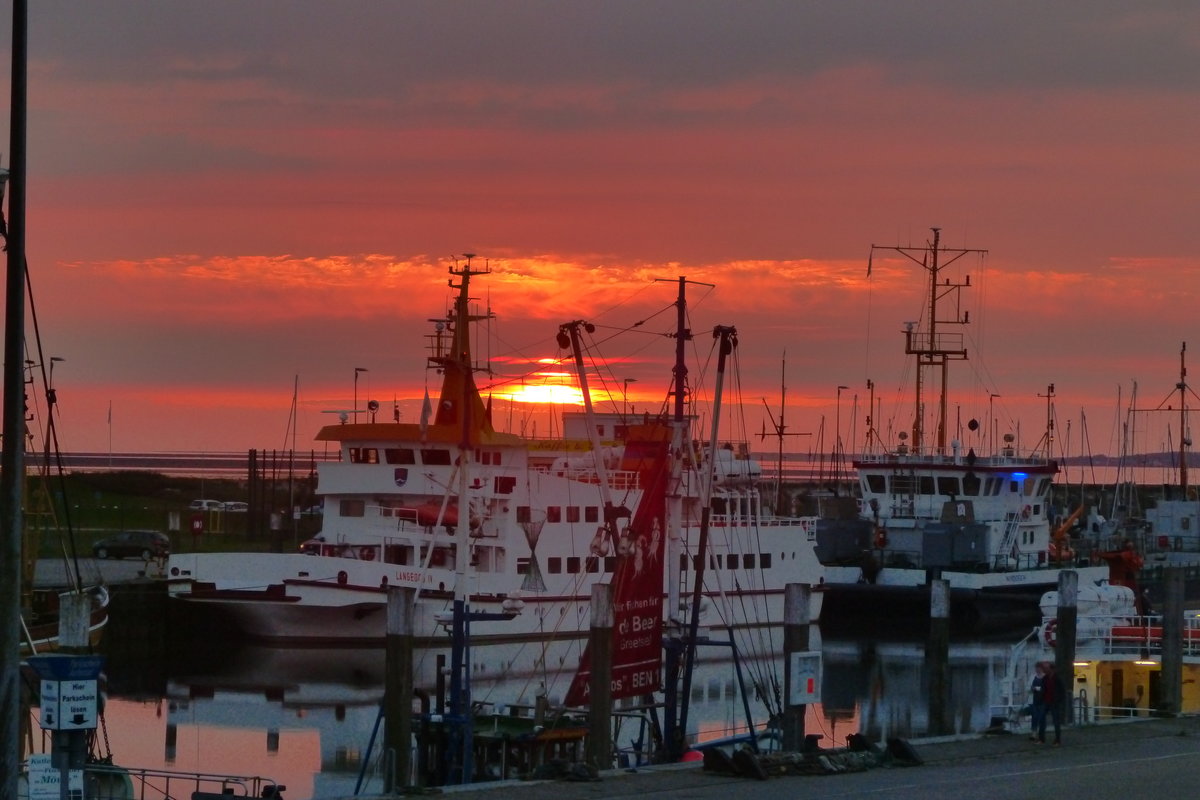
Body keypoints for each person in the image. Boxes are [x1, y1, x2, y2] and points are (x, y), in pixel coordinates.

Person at [1037, 661, 1066, 745]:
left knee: (1056, 721)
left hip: (1054, 702)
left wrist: (1059, 701)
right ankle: (1041, 739)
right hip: (1046, 701)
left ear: (1051, 669)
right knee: (1041, 719)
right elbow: (1043, 689)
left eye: (1046, 668)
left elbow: (1062, 690)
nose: (1044, 670)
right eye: (1044, 668)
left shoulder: (1057, 679)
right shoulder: (1045, 678)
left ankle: (1057, 740)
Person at [1028, 662, 1046, 742]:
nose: (1037, 670)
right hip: (1034, 701)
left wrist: (1037, 689)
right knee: (1034, 716)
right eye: (1036, 668)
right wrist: (1031, 689)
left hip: (1043, 701)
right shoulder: (1032, 677)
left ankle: (1041, 733)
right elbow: (1028, 687)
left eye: (1039, 668)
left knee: (1041, 717)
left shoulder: (1045, 677)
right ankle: (1034, 733)